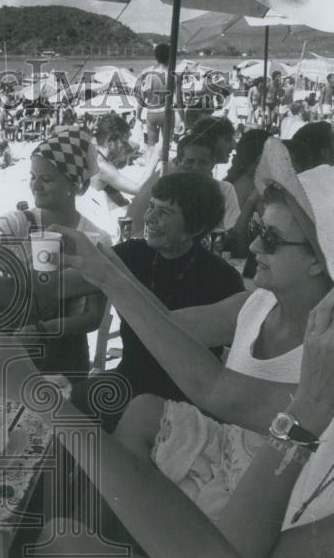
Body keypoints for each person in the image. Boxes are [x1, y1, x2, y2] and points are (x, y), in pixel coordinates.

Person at [35, 218, 334, 558]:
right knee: (63, 537)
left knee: (65, 547)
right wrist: (104, 273)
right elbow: (215, 389)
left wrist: (308, 408)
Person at [51, 138, 334, 522]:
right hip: (226, 453)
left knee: (73, 512)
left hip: (268, 496)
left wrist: (108, 274)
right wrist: (106, 267)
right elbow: (166, 327)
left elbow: (219, 393)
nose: (253, 244)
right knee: (135, 417)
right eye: (257, 227)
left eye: (270, 238)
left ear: (318, 263)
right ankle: (102, 527)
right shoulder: (255, 304)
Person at [71, 171, 245, 428]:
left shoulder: (223, 278)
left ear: (194, 228)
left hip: (187, 402)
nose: (149, 218)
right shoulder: (133, 253)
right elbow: (67, 283)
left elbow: (234, 365)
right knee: (65, 408)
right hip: (127, 382)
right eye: (151, 206)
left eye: (164, 213)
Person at [0, 132, 112, 383]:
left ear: (76, 185)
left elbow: (92, 317)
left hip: (62, 351)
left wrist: (40, 331)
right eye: (33, 177)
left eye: (46, 179)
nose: (35, 185)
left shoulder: (94, 239)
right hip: (8, 341)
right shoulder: (22, 221)